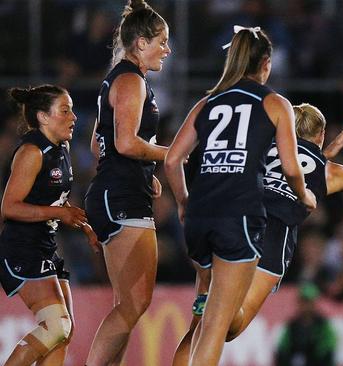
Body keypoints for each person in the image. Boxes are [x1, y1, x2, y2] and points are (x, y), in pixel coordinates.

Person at [170, 102, 343, 364]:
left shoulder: (262, 147)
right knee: (228, 327)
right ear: (321, 136)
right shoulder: (331, 171)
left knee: (199, 330)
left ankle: (210, 296)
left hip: (231, 221)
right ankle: (215, 301)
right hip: (273, 234)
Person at [165, 26, 317, 365]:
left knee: (202, 319)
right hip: (240, 216)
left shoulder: (207, 101)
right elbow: (292, 167)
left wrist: (182, 201)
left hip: (199, 217)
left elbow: (173, 159)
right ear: (265, 63)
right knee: (216, 328)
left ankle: (205, 294)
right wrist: (305, 196)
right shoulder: (275, 102)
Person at [83, 1, 171, 364]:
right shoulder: (132, 79)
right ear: (140, 43)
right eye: (162, 41)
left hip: (111, 193)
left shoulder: (117, 77)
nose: (168, 49)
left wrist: (141, 172)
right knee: (136, 302)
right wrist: (173, 153)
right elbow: (125, 143)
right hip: (121, 199)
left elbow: (97, 145)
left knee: (127, 305)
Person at [0, 85, 98, 366]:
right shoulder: (31, 152)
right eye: (65, 110)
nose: (74, 117)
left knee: (64, 333)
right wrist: (58, 213)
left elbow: (55, 200)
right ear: (43, 117)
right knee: (56, 326)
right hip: (22, 249)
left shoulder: (61, 148)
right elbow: (9, 207)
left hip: (44, 246)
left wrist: (83, 225)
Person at [275, 282, 337, 366]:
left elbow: (328, 352)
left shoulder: (323, 326)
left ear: (314, 303)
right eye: (303, 301)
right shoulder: (291, 326)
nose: (306, 305)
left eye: (309, 301)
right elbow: (282, 350)